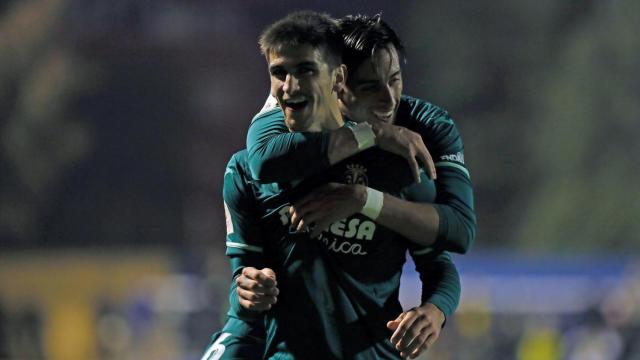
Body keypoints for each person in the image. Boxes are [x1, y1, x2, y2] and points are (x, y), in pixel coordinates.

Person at [204, 11, 465, 359]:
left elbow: (441, 261)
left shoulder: (399, 170)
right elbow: (244, 290)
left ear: (337, 79)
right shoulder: (246, 170)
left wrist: (434, 311)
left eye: (306, 71)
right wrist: (248, 289)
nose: (291, 86)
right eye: (279, 73)